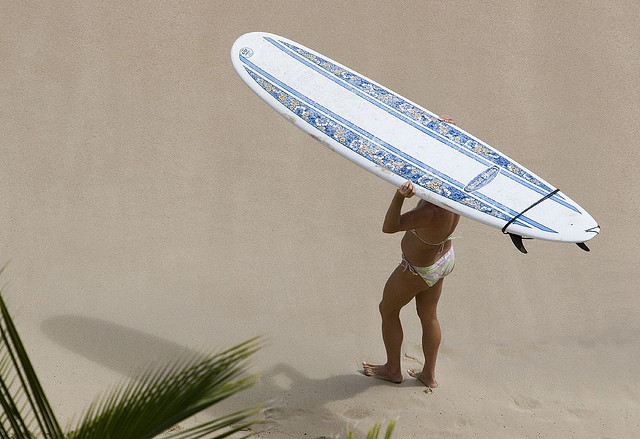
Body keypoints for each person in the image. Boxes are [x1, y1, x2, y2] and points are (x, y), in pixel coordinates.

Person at [362, 116, 460, 389]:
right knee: (428, 315)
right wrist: (442, 132)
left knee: (387, 309)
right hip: (443, 259)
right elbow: (444, 158)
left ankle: (393, 369)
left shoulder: (428, 211)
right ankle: (428, 375)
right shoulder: (455, 189)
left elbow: (389, 227)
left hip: (418, 269)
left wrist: (399, 197)